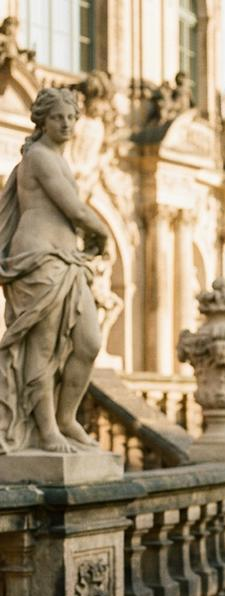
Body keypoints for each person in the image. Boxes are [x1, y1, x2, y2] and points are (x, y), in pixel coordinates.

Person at [0, 87, 108, 454]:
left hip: (66, 260)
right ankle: (45, 429)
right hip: (39, 257)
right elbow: (74, 209)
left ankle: (66, 418)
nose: (65, 123)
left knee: (89, 343)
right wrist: (102, 231)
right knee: (42, 347)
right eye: (57, 117)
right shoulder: (40, 157)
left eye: (70, 117)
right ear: (42, 121)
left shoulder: (60, 160)